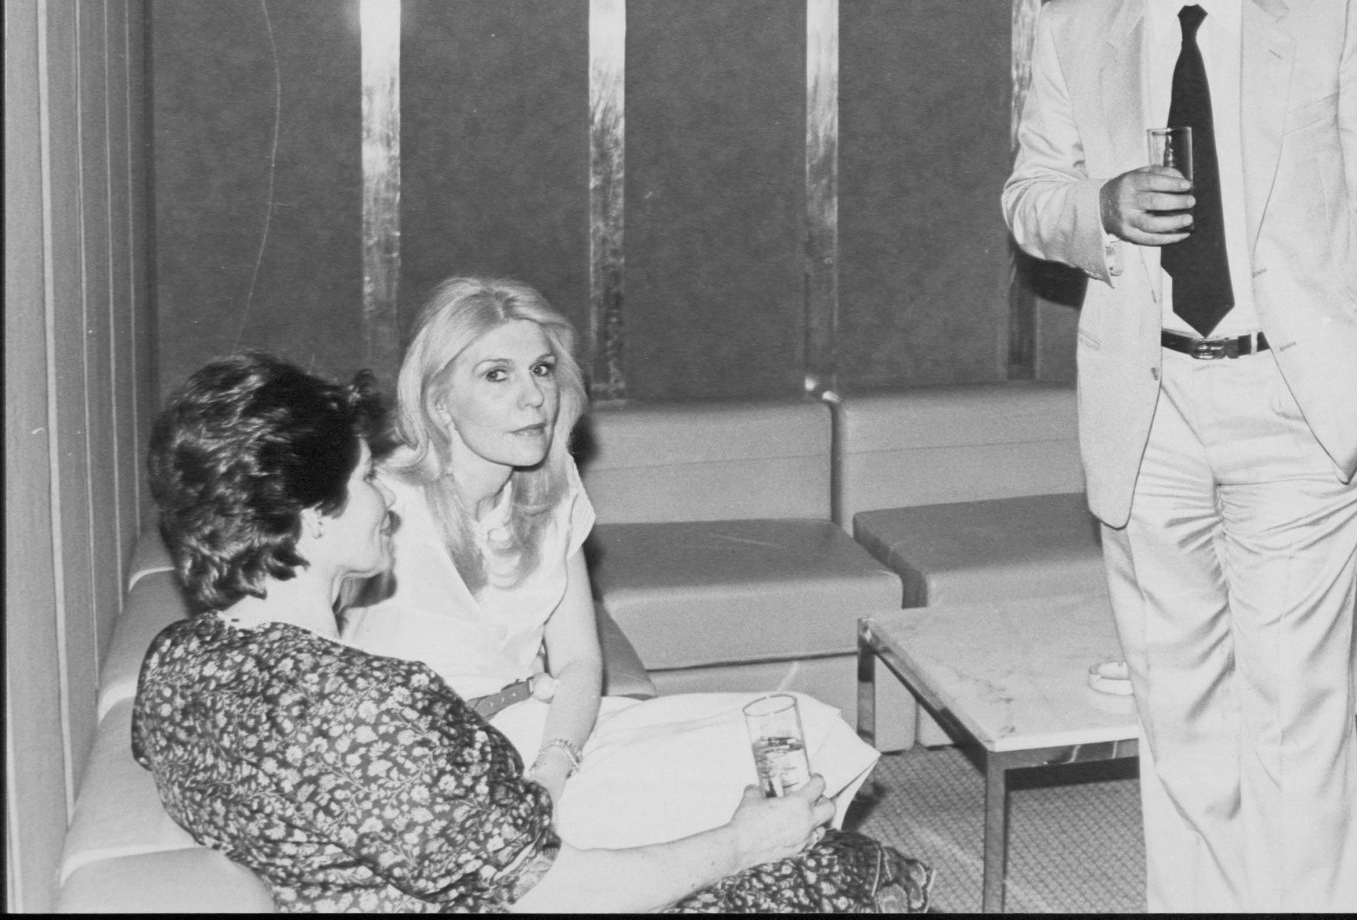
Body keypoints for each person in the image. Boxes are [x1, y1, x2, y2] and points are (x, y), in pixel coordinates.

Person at [1002, 0, 1357, 914]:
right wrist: (1100, 204)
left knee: (1292, 705)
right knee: (1177, 703)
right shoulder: (1075, 28)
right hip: (1152, 404)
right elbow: (1029, 197)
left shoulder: (1329, 3)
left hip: (1300, 398)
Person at [132, 352, 933, 913]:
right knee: (828, 871)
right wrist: (740, 843)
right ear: (312, 518)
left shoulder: (177, 662)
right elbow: (562, 892)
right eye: (366, 477)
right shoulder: (367, 705)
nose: (386, 496)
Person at [339, 276, 881, 850]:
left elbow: (578, 661)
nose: (533, 397)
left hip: (545, 731)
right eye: (497, 374)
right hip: (426, 767)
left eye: (541, 370)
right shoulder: (380, 499)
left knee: (803, 729)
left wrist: (553, 769)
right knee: (694, 805)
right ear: (440, 402)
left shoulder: (552, 491)